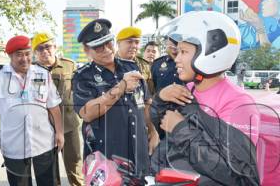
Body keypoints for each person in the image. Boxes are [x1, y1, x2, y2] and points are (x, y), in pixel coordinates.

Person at [152, 11, 260, 185]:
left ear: (212, 51)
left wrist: (180, 129)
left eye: (184, 52)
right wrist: (160, 100)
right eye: (177, 52)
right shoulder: (186, 90)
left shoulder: (239, 104)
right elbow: (164, 129)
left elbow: (237, 174)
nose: (177, 59)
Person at [72, 19, 159, 176]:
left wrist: (153, 131)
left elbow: (145, 103)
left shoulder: (130, 67)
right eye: (99, 47)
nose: (106, 49)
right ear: (86, 50)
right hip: (106, 157)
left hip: (138, 152)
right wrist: (121, 87)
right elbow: (87, 112)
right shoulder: (82, 76)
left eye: (108, 43)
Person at [0, 35, 64, 186]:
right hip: (14, 147)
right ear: (10, 55)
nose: (24, 58)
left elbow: (53, 106)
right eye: (19, 55)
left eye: (27, 53)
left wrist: (59, 132)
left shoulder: (42, 73)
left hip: (44, 143)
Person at [31, 32, 84, 186]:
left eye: (47, 46)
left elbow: (79, 91)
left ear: (55, 47)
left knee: (74, 167)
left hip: (68, 125)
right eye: (39, 49)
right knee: (50, 173)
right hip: (43, 128)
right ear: (35, 53)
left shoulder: (69, 65)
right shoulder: (31, 71)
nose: (44, 51)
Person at [116, 26, 154, 94]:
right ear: (118, 44)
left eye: (137, 42)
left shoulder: (144, 65)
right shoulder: (109, 64)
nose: (134, 46)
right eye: (129, 42)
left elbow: (151, 92)